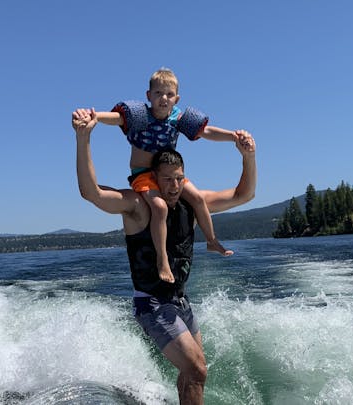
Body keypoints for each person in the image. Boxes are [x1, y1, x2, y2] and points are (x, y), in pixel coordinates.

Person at [72, 107, 256, 404]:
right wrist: (84, 139)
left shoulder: (194, 205)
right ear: (154, 179)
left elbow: (243, 195)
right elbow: (91, 192)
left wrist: (248, 156)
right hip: (152, 303)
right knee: (197, 369)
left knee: (192, 374)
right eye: (167, 179)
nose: (173, 186)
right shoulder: (138, 206)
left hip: (180, 301)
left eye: (179, 179)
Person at [78, 68, 239, 285]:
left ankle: (211, 241)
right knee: (160, 208)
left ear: (176, 98)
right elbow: (115, 118)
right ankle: (162, 261)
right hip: (143, 176)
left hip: (168, 175)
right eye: (158, 93)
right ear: (149, 96)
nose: (163, 98)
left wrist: (233, 137)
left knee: (198, 198)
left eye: (169, 94)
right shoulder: (139, 115)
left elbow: (206, 132)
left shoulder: (178, 119)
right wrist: (94, 116)